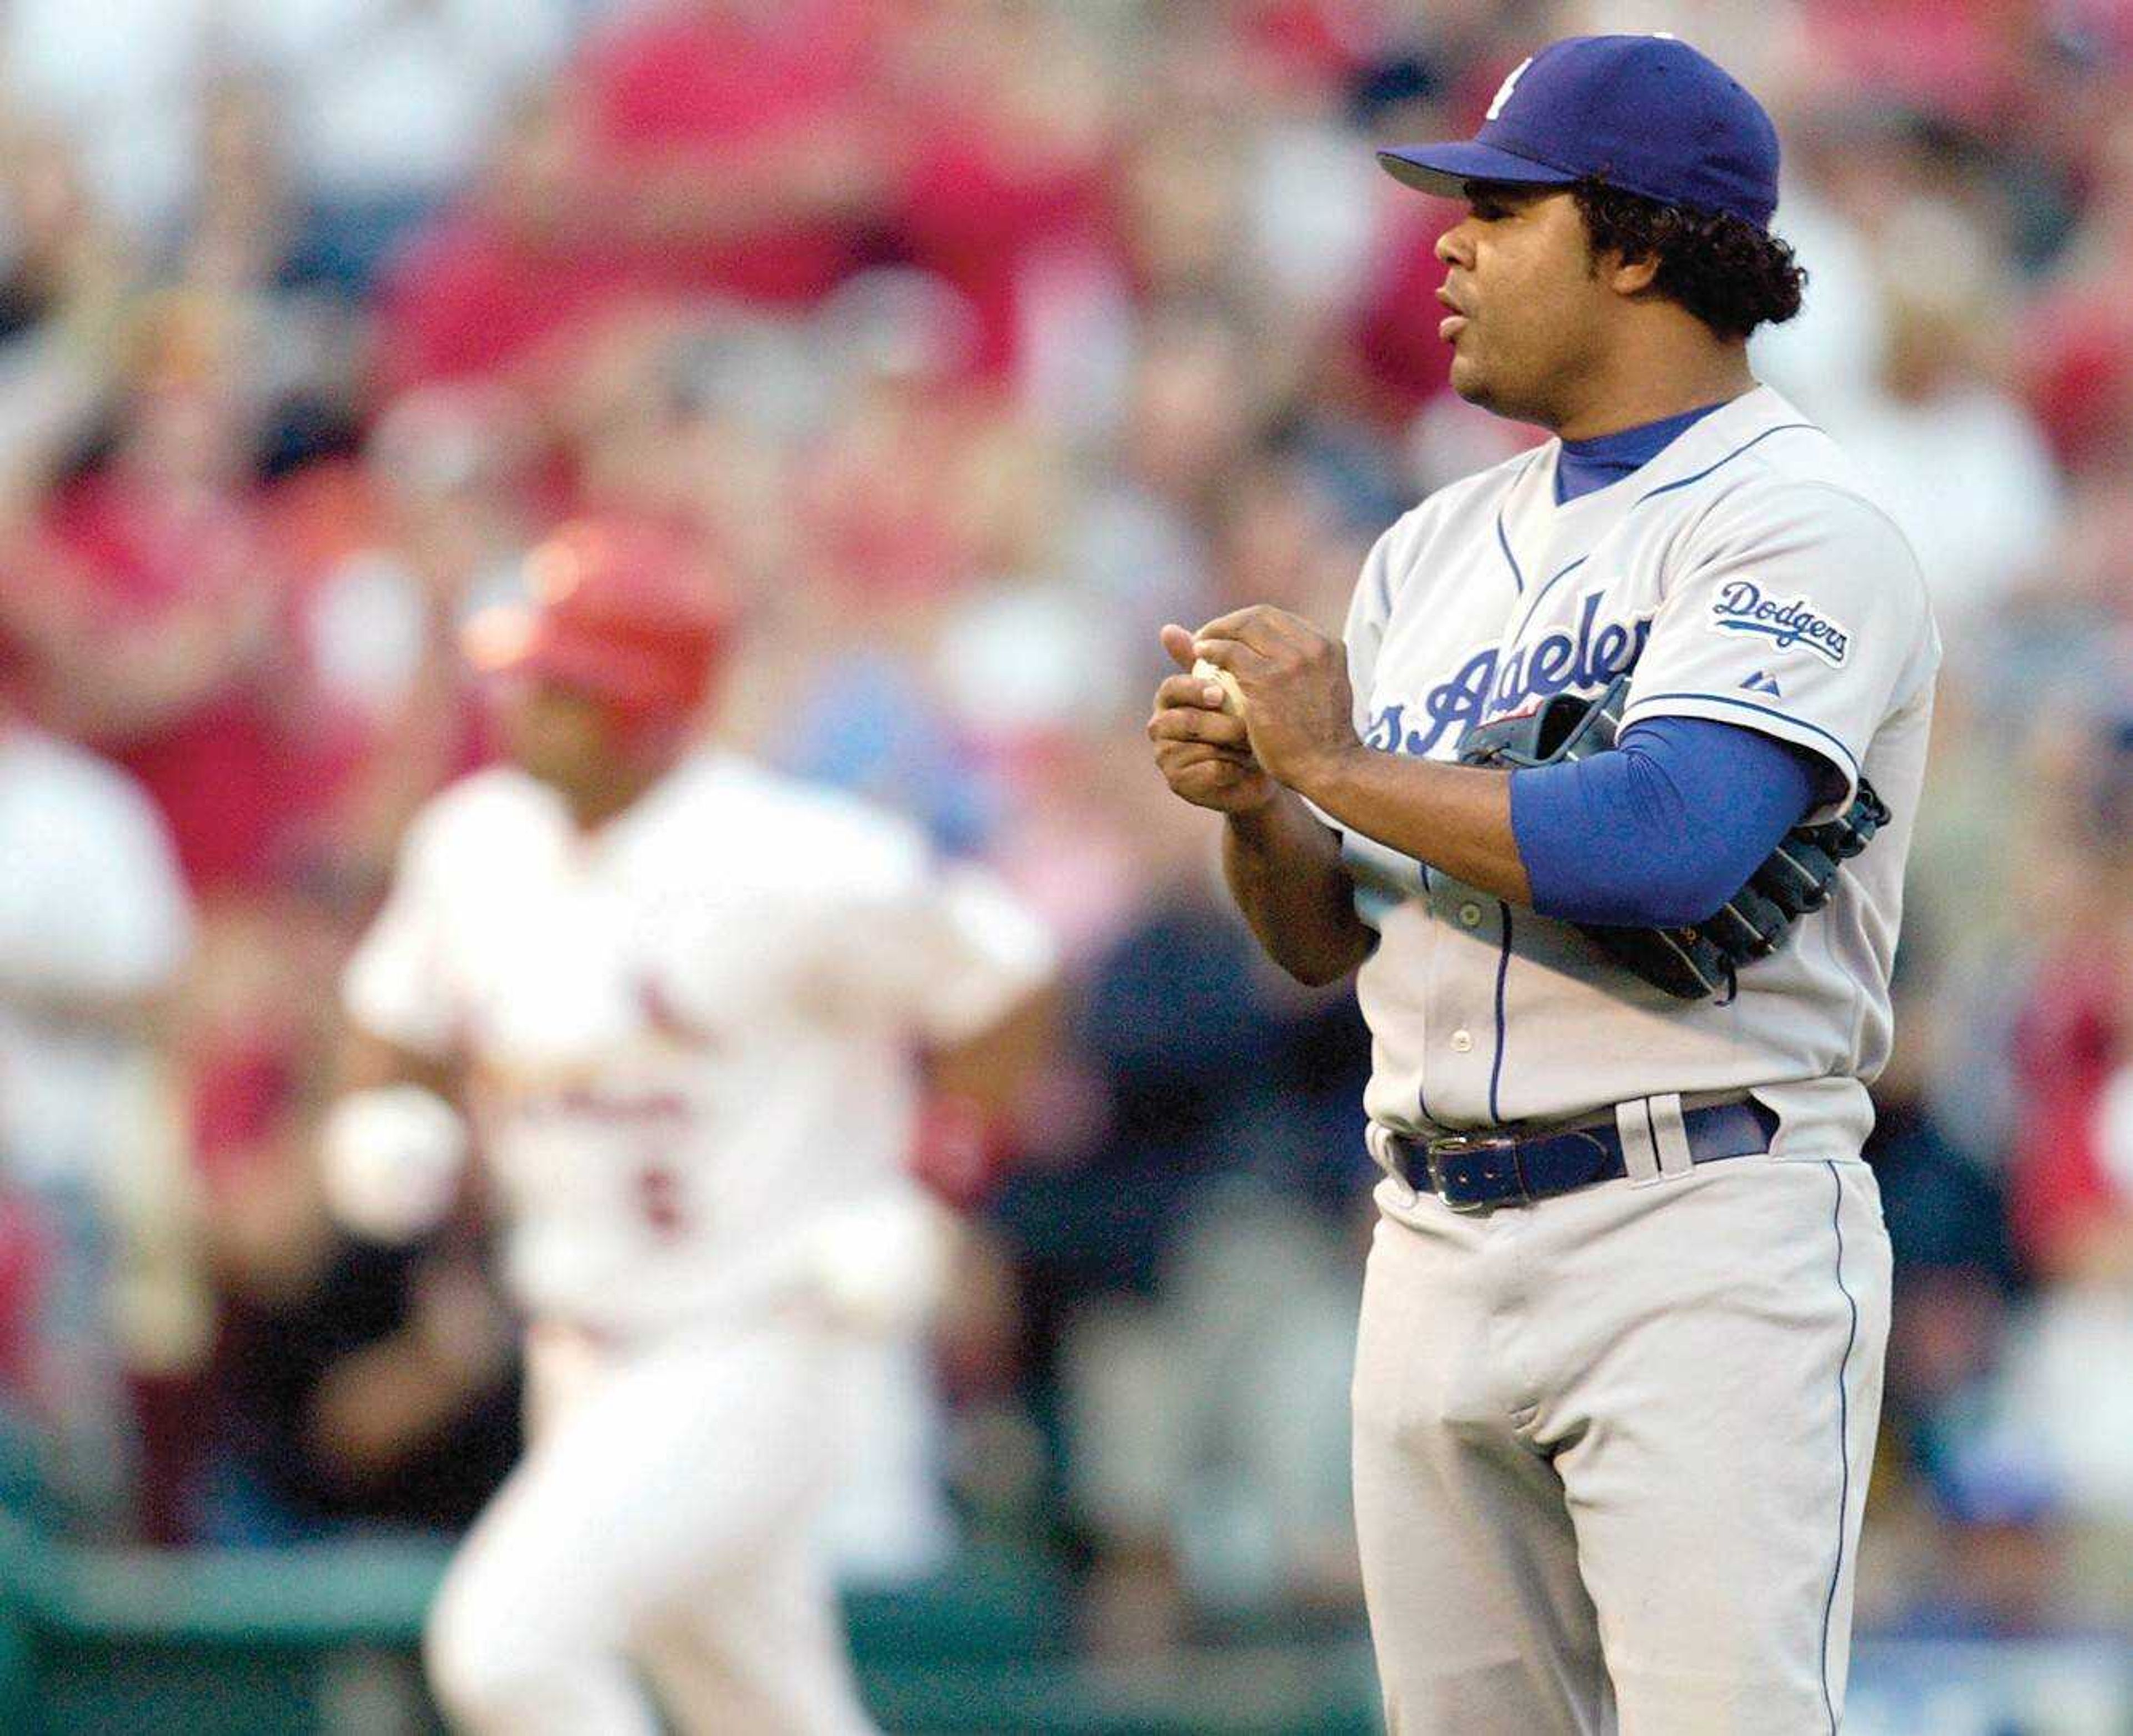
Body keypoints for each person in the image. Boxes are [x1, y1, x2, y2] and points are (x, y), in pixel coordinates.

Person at [1147, 35, 1939, 1736]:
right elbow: (1313, 944)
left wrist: (1333, 763)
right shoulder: (1429, 548)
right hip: (1429, 1232)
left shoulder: (1798, 520)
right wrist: (1262, 812)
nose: (1447, 243)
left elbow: (1670, 840)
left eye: (1500, 207)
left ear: (1640, 243)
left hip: (1699, 1226)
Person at [328, 516, 1055, 1734]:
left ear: (647, 706)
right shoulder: (475, 842)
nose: (521, 710)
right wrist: (384, 1114)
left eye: (560, 689)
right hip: (577, 1344)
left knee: (507, 1649)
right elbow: (391, 1012)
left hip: (757, 1334)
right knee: (765, 1710)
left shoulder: (796, 859)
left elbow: (1009, 980)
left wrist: (929, 1192)